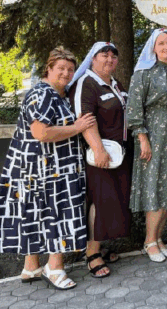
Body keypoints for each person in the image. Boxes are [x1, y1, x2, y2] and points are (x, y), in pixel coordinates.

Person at [0, 47, 96, 290]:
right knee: (56, 214)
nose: (66, 73)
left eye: (70, 69)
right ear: (49, 69)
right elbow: (41, 132)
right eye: (61, 68)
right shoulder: (43, 93)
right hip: (48, 169)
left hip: (39, 168)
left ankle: (31, 267)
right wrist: (77, 128)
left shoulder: (57, 93)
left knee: (36, 215)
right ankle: (54, 268)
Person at [68, 42, 132, 278]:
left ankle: (99, 246)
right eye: (104, 55)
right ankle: (92, 254)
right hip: (100, 156)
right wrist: (98, 149)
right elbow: (85, 118)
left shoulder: (115, 84)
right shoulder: (87, 83)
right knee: (100, 201)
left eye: (114, 56)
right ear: (92, 59)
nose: (109, 59)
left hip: (118, 155)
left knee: (112, 200)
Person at [127, 28, 167, 262]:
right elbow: (134, 108)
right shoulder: (144, 73)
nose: (166, 47)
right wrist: (142, 138)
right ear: (153, 47)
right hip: (153, 133)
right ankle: (149, 241)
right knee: (154, 186)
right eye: (161, 43)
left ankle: (159, 237)